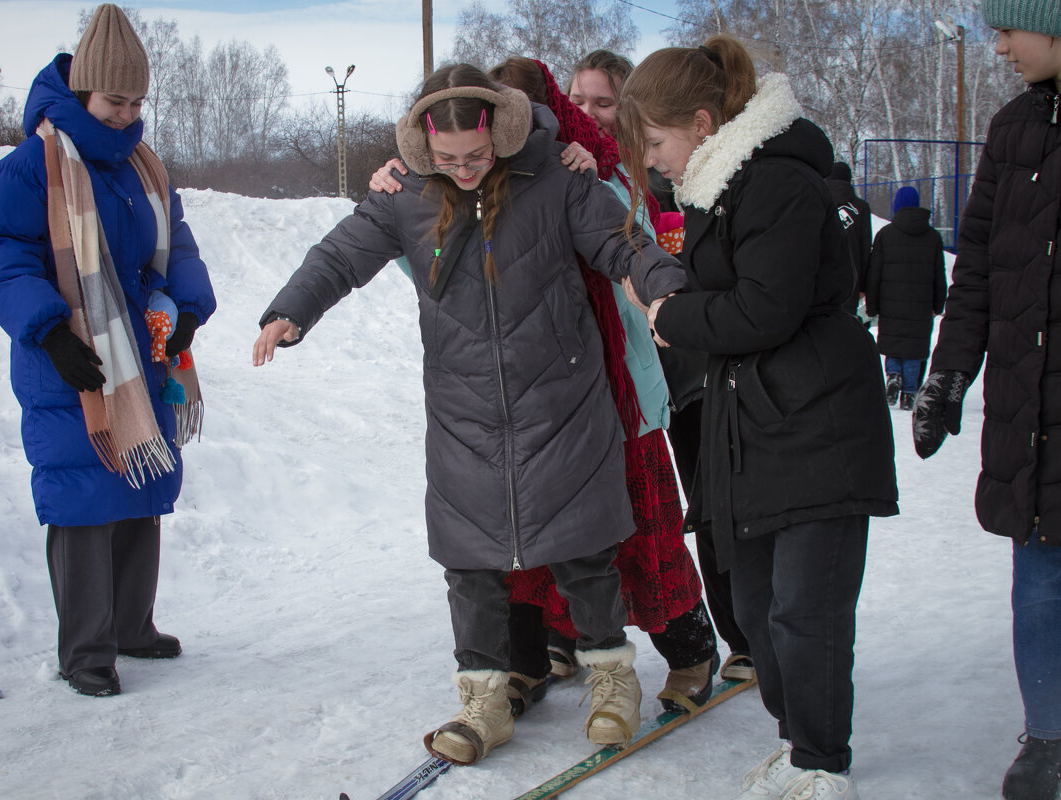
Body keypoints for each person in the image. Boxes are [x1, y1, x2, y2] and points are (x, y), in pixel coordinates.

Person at [253, 63, 688, 765]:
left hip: (562, 402)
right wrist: (289, 311)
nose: (462, 170)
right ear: (425, 147)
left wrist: (664, 290)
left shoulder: (557, 180)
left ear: (502, 135)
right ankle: (483, 699)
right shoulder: (406, 194)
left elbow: (623, 242)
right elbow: (341, 256)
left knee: (584, 553)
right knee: (471, 567)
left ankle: (612, 681)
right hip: (464, 413)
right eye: (448, 159)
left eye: (476, 156)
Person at [618, 35, 899, 799]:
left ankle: (822, 761)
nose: (654, 161)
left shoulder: (775, 181)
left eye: (657, 142)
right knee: (755, 603)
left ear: (703, 124)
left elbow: (764, 309)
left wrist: (672, 314)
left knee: (806, 612)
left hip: (821, 428)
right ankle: (798, 743)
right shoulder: (720, 187)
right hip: (760, 429)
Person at [0, 3, 216, 698]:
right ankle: (86, 652)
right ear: (81, 89)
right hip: (69, 361)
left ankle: (132, 626)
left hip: (141, 357)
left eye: (137, 100)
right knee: (82, 496)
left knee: (141, 486)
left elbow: (180, 245)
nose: (125, 113)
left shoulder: (145, 168)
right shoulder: (33, 165)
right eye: (114, 100)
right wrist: (47, 330)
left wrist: (188, 308)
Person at [911, 3, 1061, 798]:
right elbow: (974, 271)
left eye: (1009, 27)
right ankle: (1048, 739)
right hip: (1028, 406)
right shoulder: (1012, 130)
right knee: (1037, 573)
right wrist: (948, 372)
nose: (997, 44)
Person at [569, 48, 754, 684]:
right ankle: (572, 634)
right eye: (578, 99)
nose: (587, 112)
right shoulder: (575, 175)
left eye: (603, 101)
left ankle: (739, 636)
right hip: (613, 379)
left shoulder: (651, 174)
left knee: (701, 508)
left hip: (682, 370)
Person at [865, 185, 946, 410]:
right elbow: (940, 273)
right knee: (914, 349)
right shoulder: (933, 237)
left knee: (893, 344)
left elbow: (875, 273)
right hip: (921, 304)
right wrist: (939, 303)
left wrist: (872, 305)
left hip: (890, 302)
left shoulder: (885, 235)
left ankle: (893, 376)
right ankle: (909, 392)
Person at [826, 162, 874, 328]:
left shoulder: (817, 202)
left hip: (821, 283)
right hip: (851, 284)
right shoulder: (861, 208)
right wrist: (863, 285)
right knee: (847, 331)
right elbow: (865, 248)